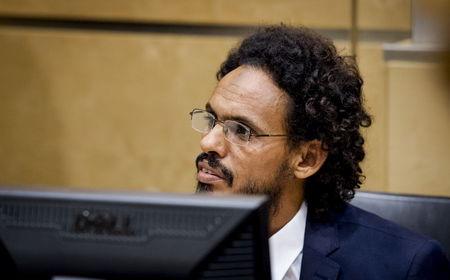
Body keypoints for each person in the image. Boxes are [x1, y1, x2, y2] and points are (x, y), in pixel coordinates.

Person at [191, 25, 449, 280]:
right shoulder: (174, 247)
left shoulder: (403, 267)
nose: (208, 143)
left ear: (307, 159)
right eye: (212, 119)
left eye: (241, 130)